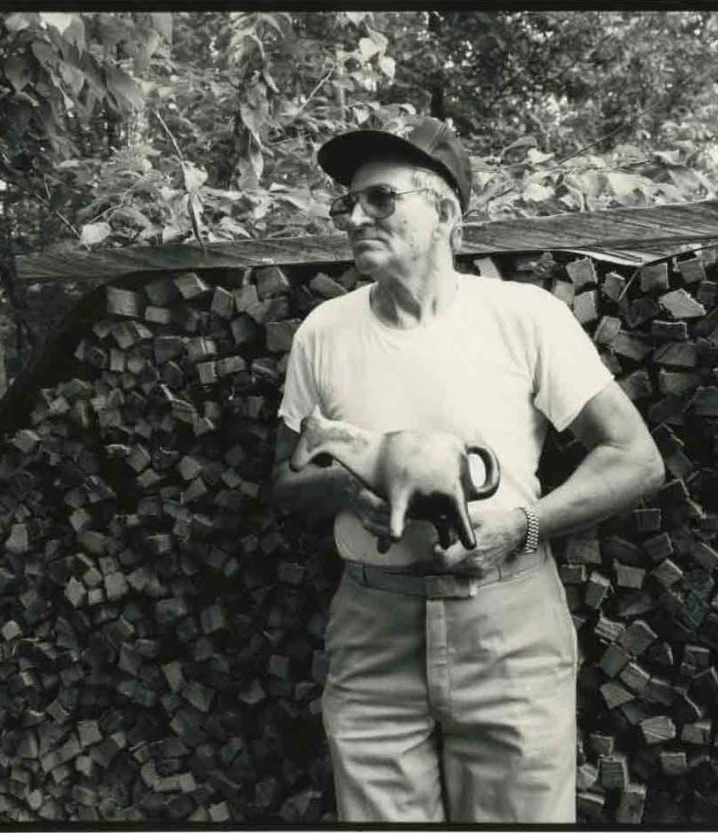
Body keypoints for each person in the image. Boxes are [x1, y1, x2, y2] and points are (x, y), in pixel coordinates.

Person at [271, 117, 665, 823]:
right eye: (347, 203)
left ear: (446, 211)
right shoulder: (322, 333)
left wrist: (524, 526)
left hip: (506, 620)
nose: (355, 216)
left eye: (381, 199)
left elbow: (635, 458)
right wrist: (346, 488)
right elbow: (284, 480)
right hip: (372, 625)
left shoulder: (524, 318)